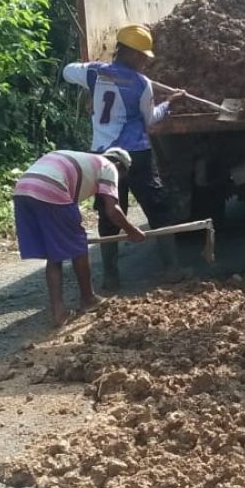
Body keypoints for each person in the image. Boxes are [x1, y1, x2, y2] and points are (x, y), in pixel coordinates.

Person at [62, 24, 186, 290]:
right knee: (158, 208)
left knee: (109, 213)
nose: (144, 61)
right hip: (137, 154)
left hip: (103, 157)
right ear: (128, 53)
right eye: (141, 56)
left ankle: (111, 277)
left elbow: (67, 71)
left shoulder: (94, 72)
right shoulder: (142, 84)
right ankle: (172, 268)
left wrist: (94, 74)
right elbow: (151, 120)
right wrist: (170, 103)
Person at [13, 148, 145, 326]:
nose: (119, 180)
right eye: (123, 175)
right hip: (51, 188)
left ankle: (58, 312)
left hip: (23, 190)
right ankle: (88, 299)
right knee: (79, 245)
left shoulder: (86, 161)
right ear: (119, 165)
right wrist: (132, 231)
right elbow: (112, 210)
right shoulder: (108, 167)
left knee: (54, 255)